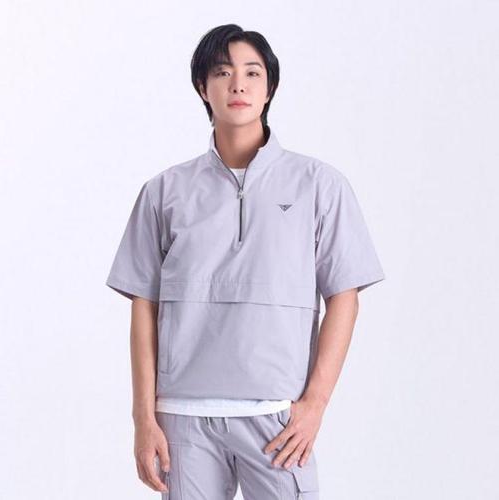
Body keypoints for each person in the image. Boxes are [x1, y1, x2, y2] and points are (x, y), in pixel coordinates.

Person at [105, 24, 385, 500]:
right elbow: (143, 308)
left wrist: (315, 404)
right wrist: (143, 418)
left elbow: (344, 296)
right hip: (184, 420)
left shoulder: (319, 185)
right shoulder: (164, 192)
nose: (238, 84)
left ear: (269, 87)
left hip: (276, 418)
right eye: (223, 72)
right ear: (203, 87)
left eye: (252, 73)